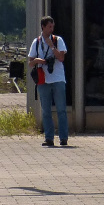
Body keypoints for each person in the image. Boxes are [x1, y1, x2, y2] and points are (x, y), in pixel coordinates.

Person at [27, 15, 68, 147]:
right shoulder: (37, 42)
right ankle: (49, 137)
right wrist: (38, 61)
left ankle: (63, 138)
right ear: (43, 27)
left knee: (61, 109)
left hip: (58, 78)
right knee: (46, 110)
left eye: (53, 26)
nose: (51, 29)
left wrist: (52, 47)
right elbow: (30, 63)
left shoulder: (58, 40)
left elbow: (61, 58)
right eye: (49, 26)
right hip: (43, 79)